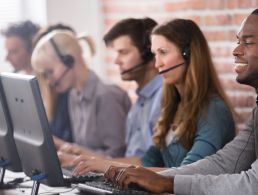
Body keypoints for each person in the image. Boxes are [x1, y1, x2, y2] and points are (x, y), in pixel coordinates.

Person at [104, 9, 258, 195]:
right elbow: (225, 162)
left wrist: (168, 184)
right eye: (238, 41)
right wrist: (157, 180)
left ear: (188, 54)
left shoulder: (213, 109)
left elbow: (253, 184)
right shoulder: (256, 111)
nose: (236, 51)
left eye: (248, 42)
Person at [64, 18, 236, 176]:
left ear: (188, 54)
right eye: (155, 54)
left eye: (163, 52)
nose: (157, 63)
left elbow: (187, 174)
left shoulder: (213, 110)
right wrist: (100, 164)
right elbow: (146, 162)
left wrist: (108, 166)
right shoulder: (173, 106)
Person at [57, 17, 163, 167]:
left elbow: (153, 163)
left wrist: (89, 163)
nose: (116, 61)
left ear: (149, 53)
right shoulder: (140, 101)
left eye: (123, 52)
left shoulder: (164, 97)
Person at [31, 30, 131, 158]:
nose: (49, 81)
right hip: (88, 174)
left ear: (70, 60)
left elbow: (118, 158)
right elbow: (84, 149)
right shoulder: (73, 95)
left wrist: (67, 149)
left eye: (50, 72)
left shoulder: (106, 96)